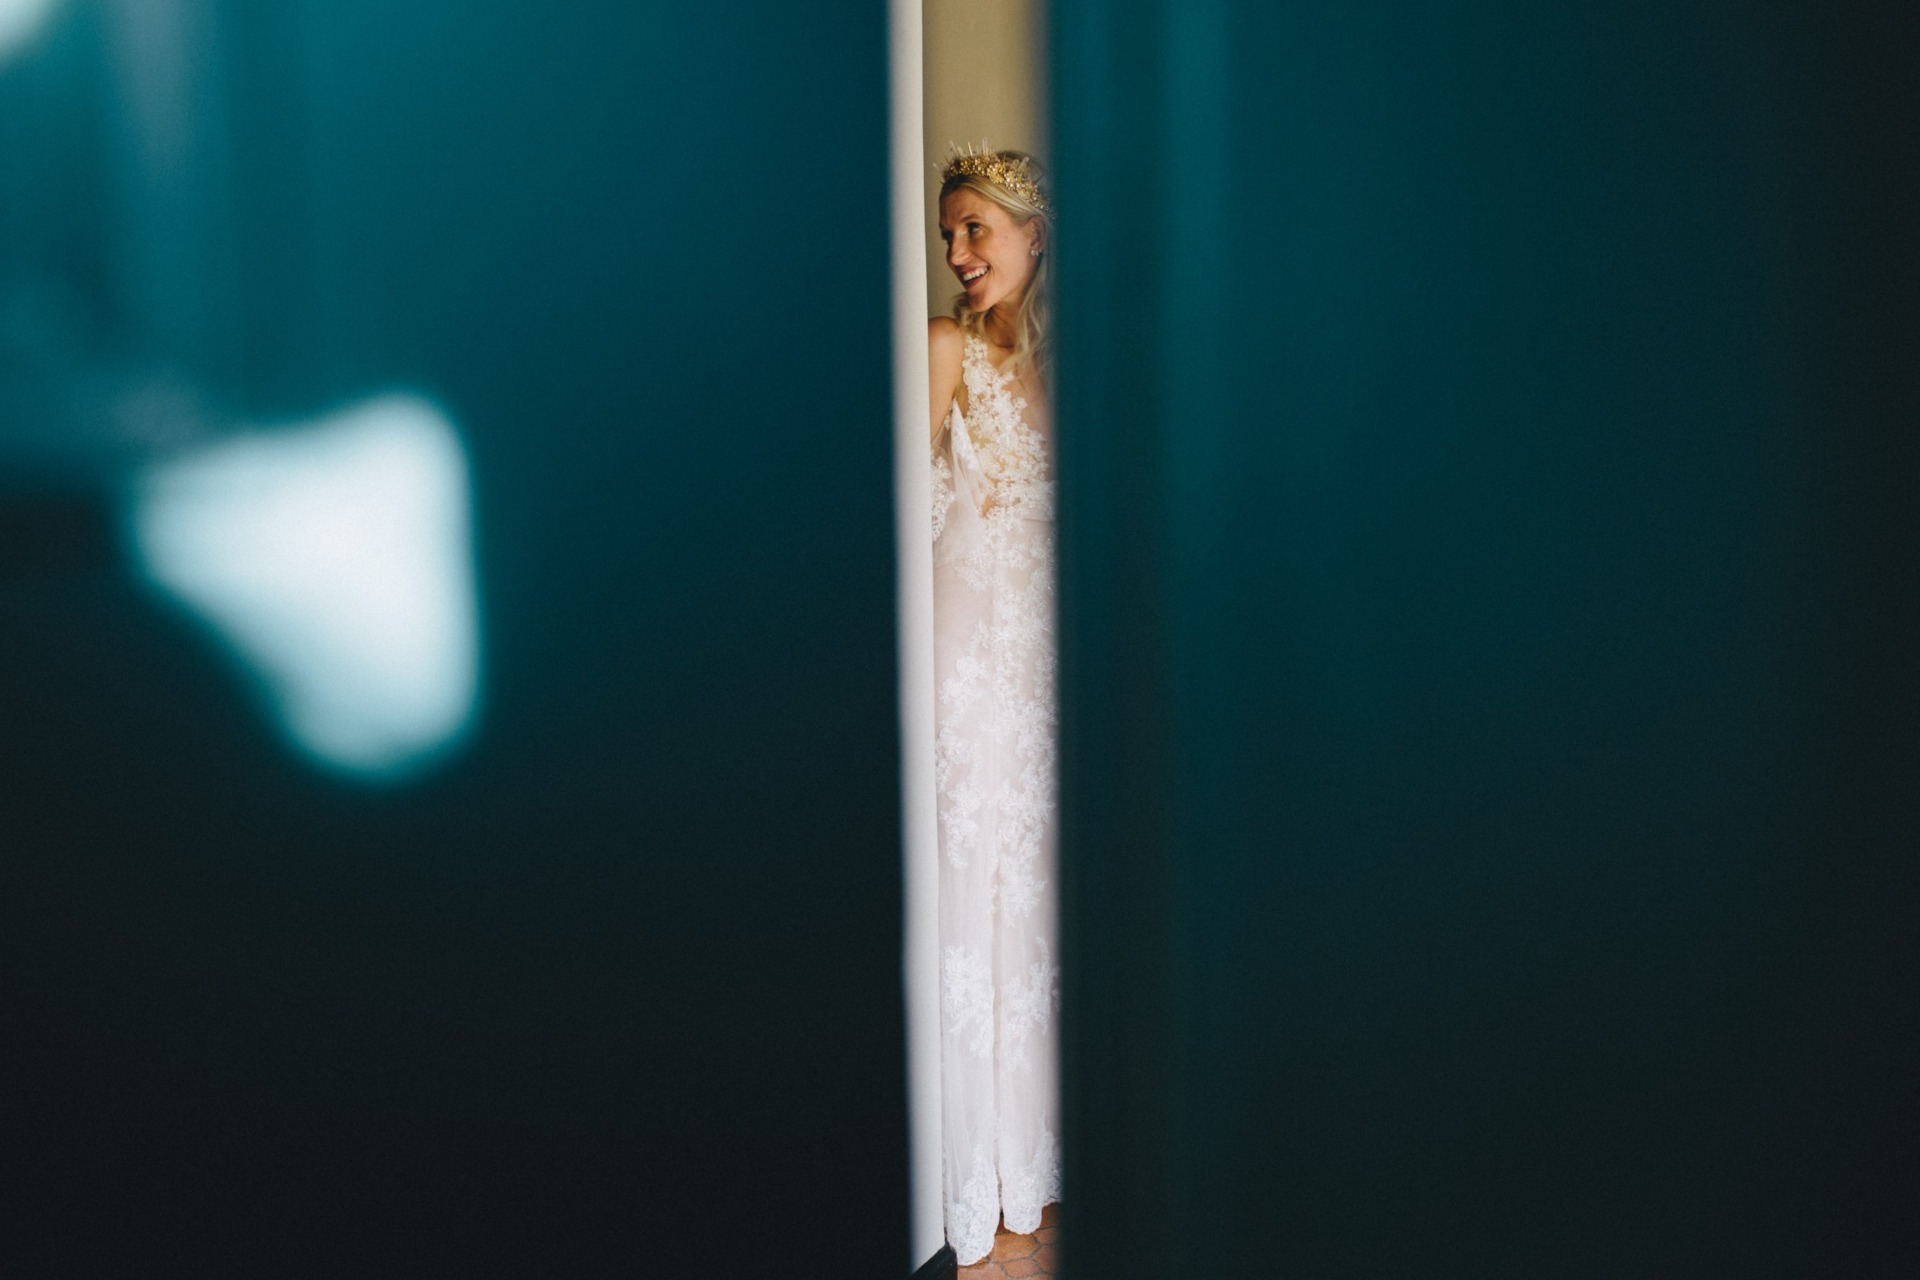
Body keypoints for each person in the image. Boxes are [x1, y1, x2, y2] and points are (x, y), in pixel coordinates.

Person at [926, 146, 1060, 1266]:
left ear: (1034, 233)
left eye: (977, 229)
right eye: (950, 237)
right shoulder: (942, 352)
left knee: (1042, 907)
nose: (961, 255)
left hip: (1048, 679)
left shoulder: (1072, 368)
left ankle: (1039, 1155)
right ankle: (975, 1177)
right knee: (975, 905)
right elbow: (911, 520)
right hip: (968, 673)